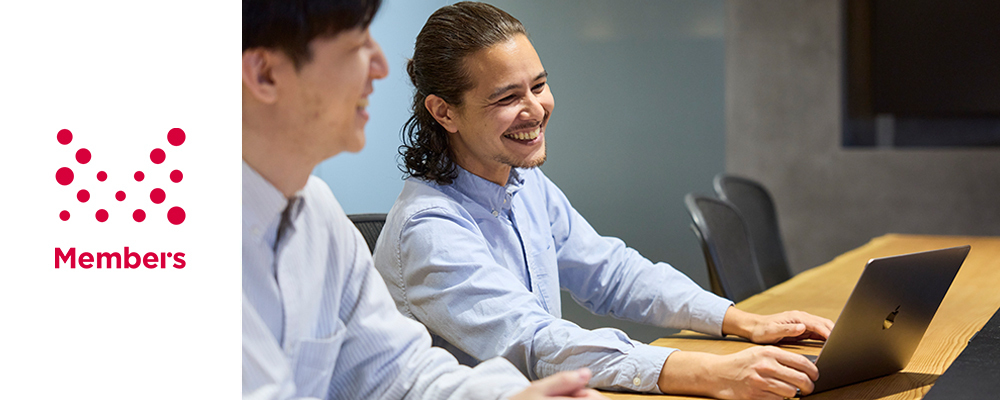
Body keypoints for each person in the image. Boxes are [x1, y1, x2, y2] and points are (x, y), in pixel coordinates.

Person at [372, 2, 834, 399]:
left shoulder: (525, 183)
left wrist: (739, 321)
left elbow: (612, 274)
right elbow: (535, 342)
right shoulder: (428, 229)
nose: (535, 109)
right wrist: (710, 373)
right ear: (444, 112)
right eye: (507, 97)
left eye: (538, 85)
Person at [241, 1, 606, 399]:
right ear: (264, 74)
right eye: (356, 46)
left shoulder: (317, 212)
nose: (381, 67)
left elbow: (398, 374)